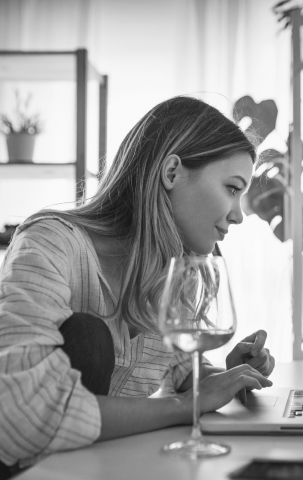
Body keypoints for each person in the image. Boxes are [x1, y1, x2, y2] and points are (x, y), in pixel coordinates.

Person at [0, 96, 274, 476]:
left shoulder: (170, 274)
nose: (238, 215)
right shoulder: (49, 244)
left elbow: (178, 366)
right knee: (87, 336)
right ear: (172, 172)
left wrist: (219, 376)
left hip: (97, 469)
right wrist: (186, 406)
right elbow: (19, 411)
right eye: (232, 188)